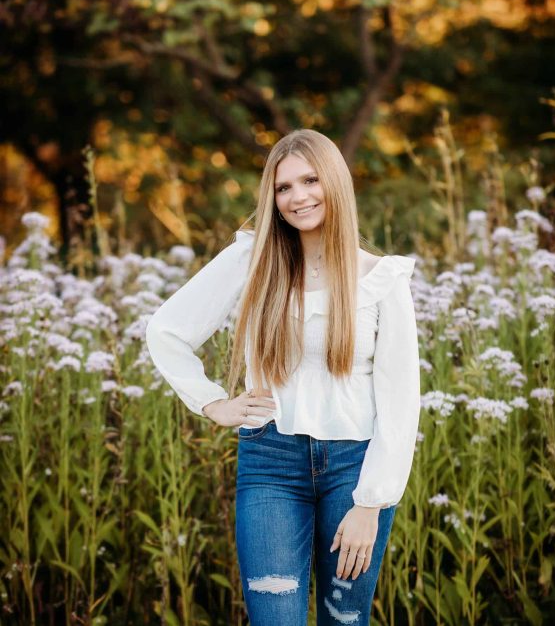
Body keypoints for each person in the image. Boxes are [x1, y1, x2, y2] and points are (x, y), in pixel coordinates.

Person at [145, 129, 421, 625]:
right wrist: (212, 402)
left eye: (310, 180)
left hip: (355, 471)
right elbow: (166, 329)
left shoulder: (382, 278)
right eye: (283, 187)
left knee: (345, 619)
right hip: (270, 462)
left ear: (334, 183)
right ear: (272, 199)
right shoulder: (251, 261)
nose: (298, 197)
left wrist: (372, 503)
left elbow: (401, 401)